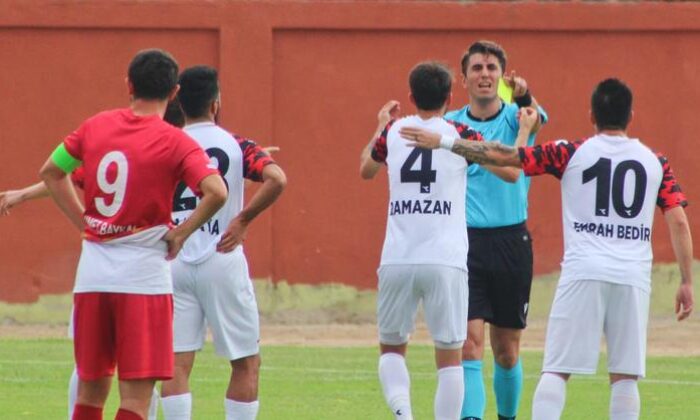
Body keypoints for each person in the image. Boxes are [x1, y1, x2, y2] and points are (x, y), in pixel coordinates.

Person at [400, 78, 694, 420]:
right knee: (625, 377)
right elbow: (678, 221)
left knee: (556, 370)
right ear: (631, 115)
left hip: (582, 273)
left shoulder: (569, 152)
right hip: (633, 277)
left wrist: (445, 142)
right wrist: (687, 281)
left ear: (591, 115)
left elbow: (507, 156)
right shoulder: (656, 162)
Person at [39, 49, 228, 420]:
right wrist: (182, 233)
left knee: (89, 393)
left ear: (128, 84)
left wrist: (83, 222)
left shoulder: (94, 126)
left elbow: (51, 172)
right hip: (143, 277)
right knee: (136, 399)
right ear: (174, 93)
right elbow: (217, 192)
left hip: (93, 276)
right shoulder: (176, 141)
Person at [360, 61, 530, 420]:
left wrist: (380, 125)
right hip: (446, 261)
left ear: (410, 97)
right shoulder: (459, 133)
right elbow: (511, 172)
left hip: (397, 258)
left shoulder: (393, 131)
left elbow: (366, 169)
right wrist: (523, 133)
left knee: (391, 350)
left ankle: (404, 414)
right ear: (450, 97)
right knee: (452, 359)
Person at [159, 66, 286, 420]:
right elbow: (277, 179)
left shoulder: (165, 143)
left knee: (175, 363)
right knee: (246, 362)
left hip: (174, 259)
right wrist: (242, 220)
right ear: (215, 104)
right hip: (222, 255)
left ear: (178, 103)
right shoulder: (237, 145)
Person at [443, 40, 547, 420]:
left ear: (502, 76)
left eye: (491, 68)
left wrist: (524, 95)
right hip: (465, 243)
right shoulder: (451, 123)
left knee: (506, 350)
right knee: (468, 345)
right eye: (477, 68)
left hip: (510, 242)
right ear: (464, 78)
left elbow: (536, 115)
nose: (484, 75)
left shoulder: (520, 118)